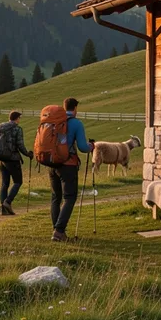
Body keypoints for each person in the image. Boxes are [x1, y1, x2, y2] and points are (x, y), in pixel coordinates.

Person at [49, 97, 94, 242]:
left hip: (52, 163)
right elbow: (82, 147)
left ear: (64, 107)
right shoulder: (76, 123)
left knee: (56, 197)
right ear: (75, 108)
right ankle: (59, 231)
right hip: (68, 165)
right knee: (69, 198)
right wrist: (91, 146)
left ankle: (56, 229)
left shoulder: (54, 121)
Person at [0, 110, 33, 215]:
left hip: (0, 158)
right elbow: (20, 145)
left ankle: (3, 209)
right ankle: (7, 202)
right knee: (18, 182)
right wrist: (27, 154)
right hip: (12, 159)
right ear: (17, 118)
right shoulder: (17, 129)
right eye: (19, 118)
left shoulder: (0, 127)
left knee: (5, 183)